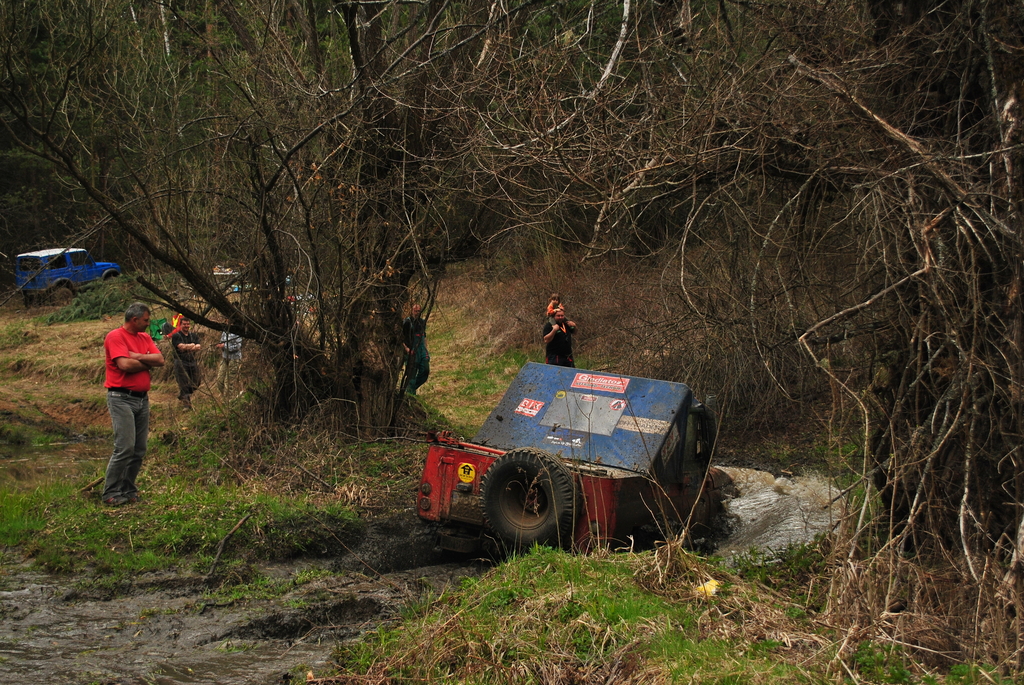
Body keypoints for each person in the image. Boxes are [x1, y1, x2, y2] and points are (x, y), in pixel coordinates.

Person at [102, 303, 164, 507]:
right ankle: (111, 491)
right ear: (134, 319)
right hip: (121, 398)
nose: (148, 324)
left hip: (141, 399)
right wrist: (147, 362)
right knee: (125, 447)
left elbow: (160, 359)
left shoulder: (145, 338)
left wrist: (137, 356)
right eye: (146, 320)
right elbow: (124, 365)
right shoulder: (115, 336)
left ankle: (128, 489)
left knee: (139, 448)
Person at [170, 317, 202, 409]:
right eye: (184, 324)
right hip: (180, 361)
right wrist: (192, 346)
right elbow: (181, 347)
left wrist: (189, 346)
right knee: (183, 382)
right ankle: (186, 405)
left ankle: (183, 395)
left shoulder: (193, 335)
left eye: (188, 324)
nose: (186, 326)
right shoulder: (177, 336)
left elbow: (199, 346)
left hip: (192, 361)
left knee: (197, 381)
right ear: (180, 325)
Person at [402, 303, 430, 395]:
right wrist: (407, 349)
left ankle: (410, 388)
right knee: (411, 375)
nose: (417, 313)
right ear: (411, 310)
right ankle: (410, 394)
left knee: (425, 371)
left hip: (421, 350)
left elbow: (424, 336)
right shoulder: (407, 322)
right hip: (411, 350)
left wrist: (426, 350)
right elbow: (401, 338)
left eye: (418, 311)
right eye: (415, 310)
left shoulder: (422, 322)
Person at [215, 326, 242, 395]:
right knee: (219, 381)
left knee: (228, 382)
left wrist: (225, 346)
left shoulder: (237, 332)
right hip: (225, 358)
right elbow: (222, 341)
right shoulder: (225, 331)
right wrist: (220, 345)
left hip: (234, 358)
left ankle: (229, 401)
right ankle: (225, 398)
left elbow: (238, 346)